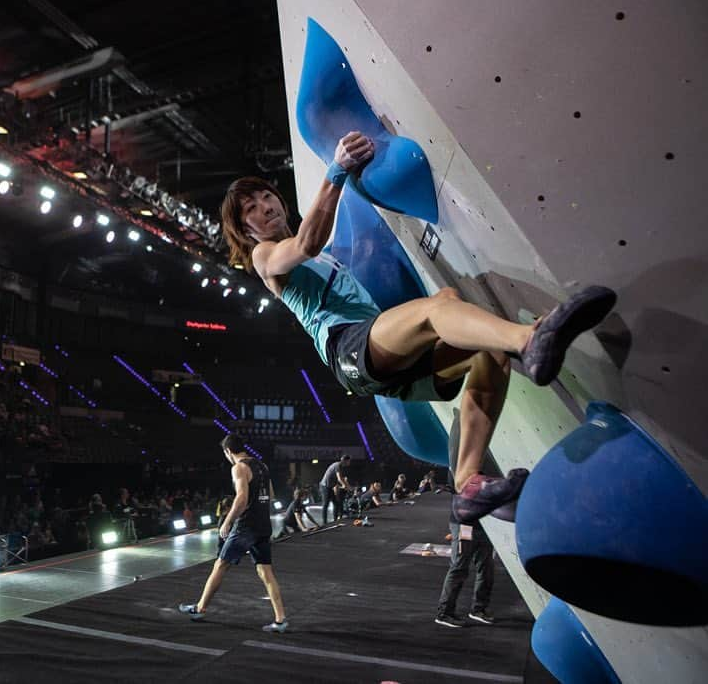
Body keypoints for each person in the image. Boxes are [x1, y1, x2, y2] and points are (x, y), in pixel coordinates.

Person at [220, 138, 616, 523]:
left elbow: (314, 245)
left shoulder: (318, 256)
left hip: (379, 359)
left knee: (484, 348)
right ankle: (530, 340)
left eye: (265, 197)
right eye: (250, 210)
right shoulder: (264, 256)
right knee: (436, 310)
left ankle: (468, 484)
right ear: (246, 230)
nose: (264, 208)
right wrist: (336, 171)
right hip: (349, 350)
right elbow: (306, 243)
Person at [179, 434, 288, 632]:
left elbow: (241, 499)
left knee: (220, 564)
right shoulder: (262, 466)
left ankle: (200, 608)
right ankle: (280, 620)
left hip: (246, 526)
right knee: (266, 571)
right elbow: (270, 495)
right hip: (264, 525)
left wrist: (227, 522)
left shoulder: (238, 468)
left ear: (228, 451)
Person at [435, 515, 495, 627]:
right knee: (459, 568)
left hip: (484, 526)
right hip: (465, 526)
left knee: (486, 568)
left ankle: (478, 609)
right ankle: (444, 613)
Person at [318, 455, 352, 524]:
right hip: (325, 486)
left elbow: (342, 479)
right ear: (346, 461)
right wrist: (345, 486)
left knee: (336, 503)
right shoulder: (338, 465)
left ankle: (335, 521)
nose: (350, 463)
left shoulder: (341, 467)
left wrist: (349, 486)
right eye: (349, 461)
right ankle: (324, 523)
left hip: (330, 487)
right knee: (326, 504)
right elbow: (339, 478)